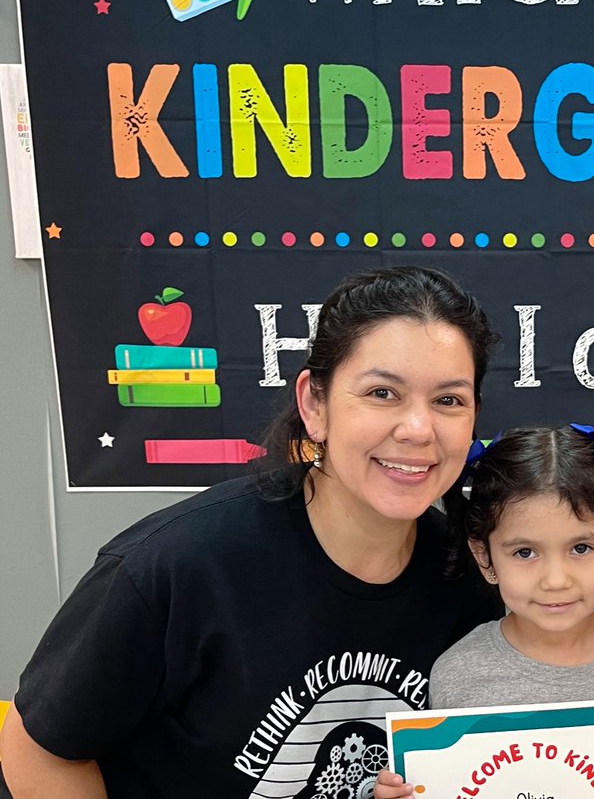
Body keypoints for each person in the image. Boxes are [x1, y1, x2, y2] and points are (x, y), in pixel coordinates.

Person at [0, 266, 506, 798]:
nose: (418, 429)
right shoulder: (177, 566)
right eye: (382, 393)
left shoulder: (468, 580)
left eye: (448, 400)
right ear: (315, 404)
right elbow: (38, 750)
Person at [376, 423, 594, 799]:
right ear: (484, 556)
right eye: (525, 552)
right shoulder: (459, 669)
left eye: (580, 548)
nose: (555, 580)